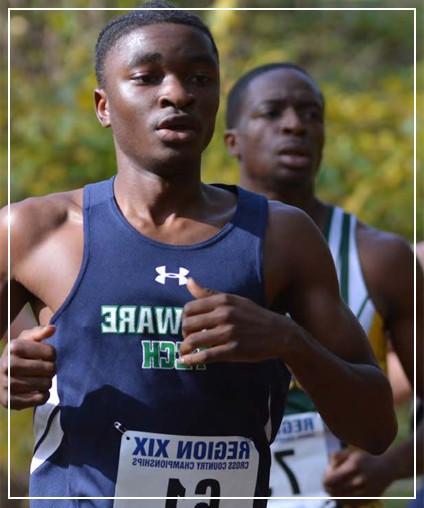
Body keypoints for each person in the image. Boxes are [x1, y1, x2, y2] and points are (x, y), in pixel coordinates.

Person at [0, 6, 397, 507]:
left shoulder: (281, 236)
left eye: (200, 78)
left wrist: (289, 341)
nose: (177, 93)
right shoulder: (33, 231)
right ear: (103, 105)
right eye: (146, 77)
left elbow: (376, 428)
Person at [224, 63, 423, 506]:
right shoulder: (184, 248)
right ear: (232, 141)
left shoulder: (379, 257)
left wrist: (390, 465)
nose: (295, 124)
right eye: (272, 113)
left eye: (311, 114)